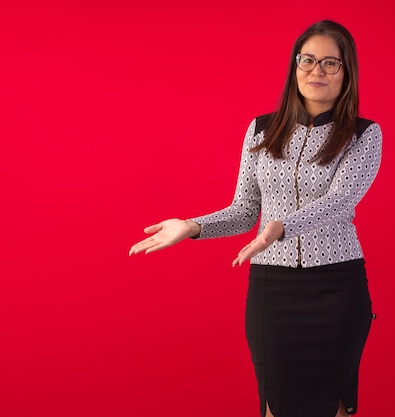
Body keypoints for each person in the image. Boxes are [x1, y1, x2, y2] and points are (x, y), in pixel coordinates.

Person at [129, 20, 382, 417]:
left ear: (347, 72)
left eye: (330, 63)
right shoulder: (262, 130)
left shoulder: (363, 134)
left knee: (336, 406)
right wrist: (193, 226)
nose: (317, 71)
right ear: (294, 67)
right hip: (274, 289)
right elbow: (245, 211)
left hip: (337, 285)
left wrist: (280, 226)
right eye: (308, 60)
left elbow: (340, 201)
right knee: (274, 406)